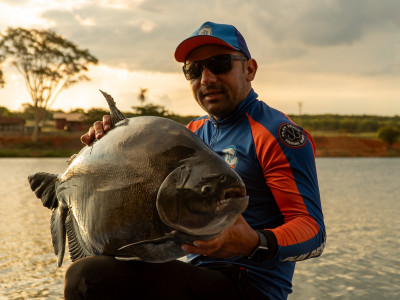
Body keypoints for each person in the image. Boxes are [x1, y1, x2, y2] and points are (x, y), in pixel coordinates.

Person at [66, 21, 326, 300]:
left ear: (249, 69)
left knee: (88, 278)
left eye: (220, 64)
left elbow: (312, 231)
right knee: (97, 268)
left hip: (249, 287)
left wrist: (254, 243)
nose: (207, 79)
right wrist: (106, 146)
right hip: (193, 274)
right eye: (194, 69)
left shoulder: (275, 133)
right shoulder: (191, 133)